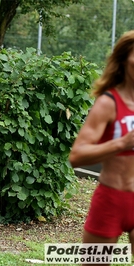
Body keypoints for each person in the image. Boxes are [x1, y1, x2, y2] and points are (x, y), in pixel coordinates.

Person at [69, 30, 134, 265]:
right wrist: (122, 143)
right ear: (125, 59)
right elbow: (76, 156)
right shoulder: (108, 102)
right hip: (111, 201)